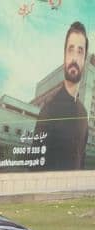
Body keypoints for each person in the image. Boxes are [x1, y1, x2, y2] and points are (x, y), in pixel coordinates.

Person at [35, 21, 90, 170]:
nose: (74, 58)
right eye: (70, 50)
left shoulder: (84, 114)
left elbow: (81, 162)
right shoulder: (48, 110)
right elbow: (35, 168)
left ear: (84, 60)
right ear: (64, 56)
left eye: (80, 51)